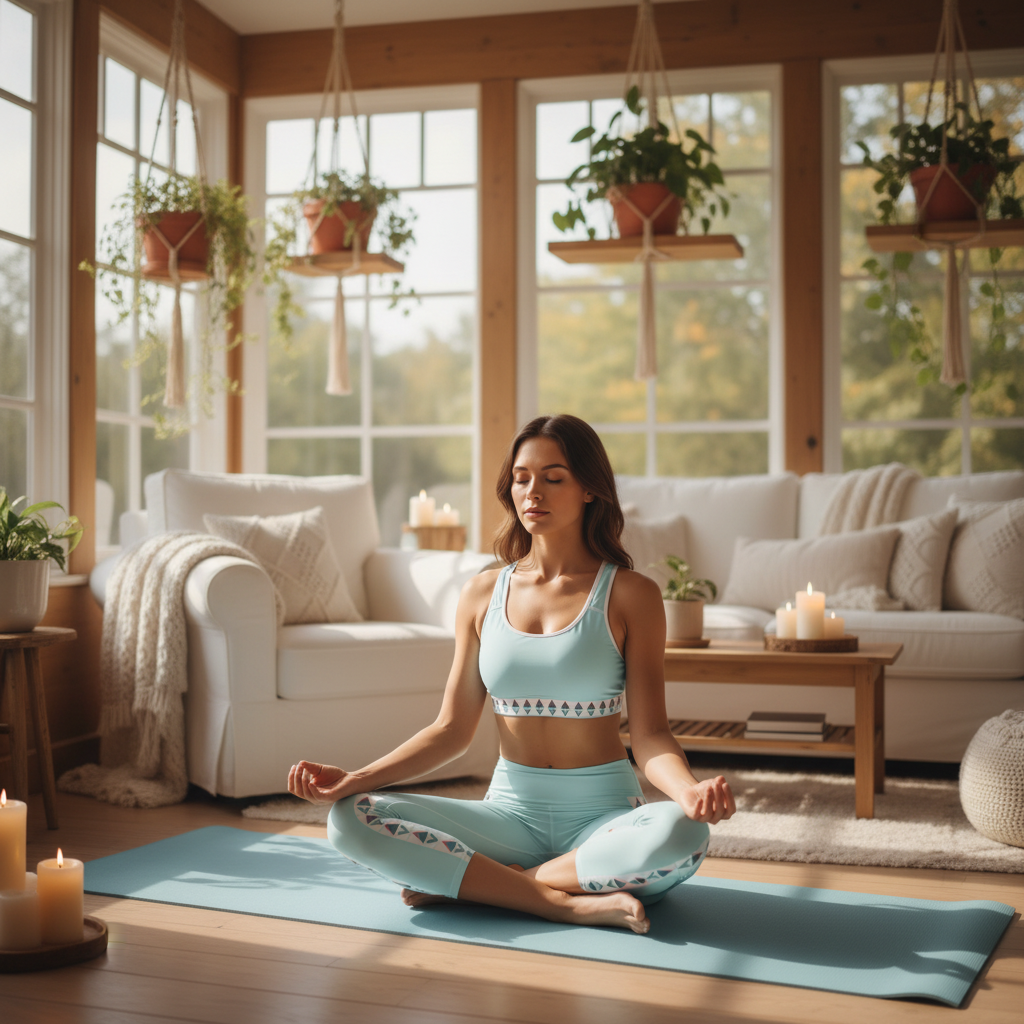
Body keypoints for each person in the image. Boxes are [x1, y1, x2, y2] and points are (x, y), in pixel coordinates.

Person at [288, 414, 735, 934]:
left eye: (553, 477)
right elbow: (450, 730)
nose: (533, 492)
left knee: (683, 832)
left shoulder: (632, 594)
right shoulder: (482, 593)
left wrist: (688, 792)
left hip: (602, 821)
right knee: (349, 818)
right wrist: (354, 779)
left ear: (590, 489)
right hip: (506, 819)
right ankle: (559, 901)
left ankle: (491, 885)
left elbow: (651, 734)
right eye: (522, 478)